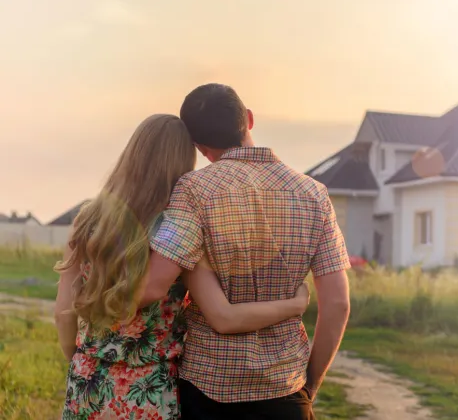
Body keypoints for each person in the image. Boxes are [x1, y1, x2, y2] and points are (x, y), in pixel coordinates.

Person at [53, 114, 311, 420]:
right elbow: (224, 316)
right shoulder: (178, 231)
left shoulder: (87, 221)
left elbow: (62, 312)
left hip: (88, 380)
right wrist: (295, 304)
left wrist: (83, 360)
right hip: (150, 390)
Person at [141, 83, 351, 420]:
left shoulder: (193, 190)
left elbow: (156, 282)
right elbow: (338, 303)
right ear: (249, 119)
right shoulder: (314, 194)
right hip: (285, 389)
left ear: (199, 146)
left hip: (208, 390)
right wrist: (309, 386)